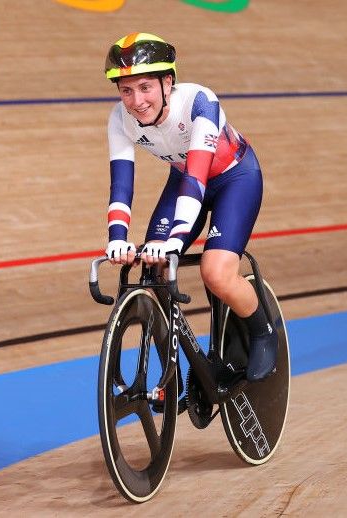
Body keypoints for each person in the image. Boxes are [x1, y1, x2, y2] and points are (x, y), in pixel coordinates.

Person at [102, 32, 277, 381]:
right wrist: (117, 237)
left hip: (233, 179)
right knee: (152, 273)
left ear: (168, 82)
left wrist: (174, 241)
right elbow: (121, 185)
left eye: (146, 87)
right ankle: (172, 370)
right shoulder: (120, 119)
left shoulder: (199, 101)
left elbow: (197, 178)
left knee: (214, 273)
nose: (136, 101)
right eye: (126, 90)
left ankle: (262, 331)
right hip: (183, 181)